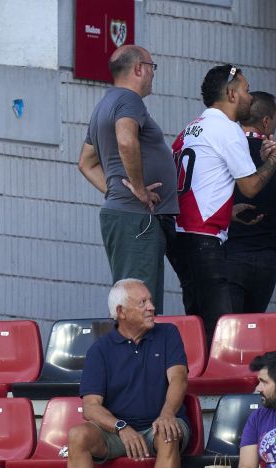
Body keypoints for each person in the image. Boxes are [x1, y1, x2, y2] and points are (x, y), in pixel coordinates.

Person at [169, 65, 276, 343]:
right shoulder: (228, 129)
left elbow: (195, 185)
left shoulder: (191, 128)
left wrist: (227, 213)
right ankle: (215, 386)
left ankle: (197, 381)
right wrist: (274, 160)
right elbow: (250, 186)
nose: (250, 98)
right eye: (246, 90)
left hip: (180, 235)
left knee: (197, 323)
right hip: (204, 240)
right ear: (231, 94)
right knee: (221, 330)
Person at [77, 45, 178, 314]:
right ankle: (135, 356)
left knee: (134, 298)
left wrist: (114, 191)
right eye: (152, 67)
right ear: (138, 69)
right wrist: (139, 190)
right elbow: (125, 139)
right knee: (140, 304)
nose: (153, 74)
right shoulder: (129, 100)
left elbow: (85, 163)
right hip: (137, 219)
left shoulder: (104, 105)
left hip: (127, 216)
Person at [67, 279, 189, 468]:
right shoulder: (99, 350)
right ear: (121, 312)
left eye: (150, 300)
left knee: (168, 433)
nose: (152, 307)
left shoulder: (168, 333)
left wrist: (167, 414)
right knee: (77, 435)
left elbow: (179, 379)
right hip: (116, 432)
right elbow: (90, 407)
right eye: (142, 303)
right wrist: (121, 427)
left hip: (159, 425)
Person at [226, 91, 276, 313]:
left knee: (225, 333)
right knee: (253, 330)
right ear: (265, 121)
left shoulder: (226, 154)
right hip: (265, 259)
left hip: (228, 254)